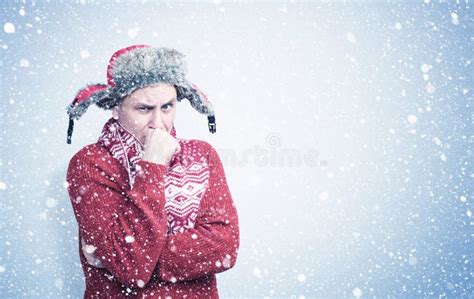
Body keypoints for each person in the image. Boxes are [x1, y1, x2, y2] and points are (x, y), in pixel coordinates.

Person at [65, 45, 239, 298]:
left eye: (167, 107)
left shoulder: (202, 155)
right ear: (116, 108)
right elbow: (131, 267)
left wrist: (138, 260)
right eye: (144, 109)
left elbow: (225, 248)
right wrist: (154, 164)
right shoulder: (90, 164)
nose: (158, 123)